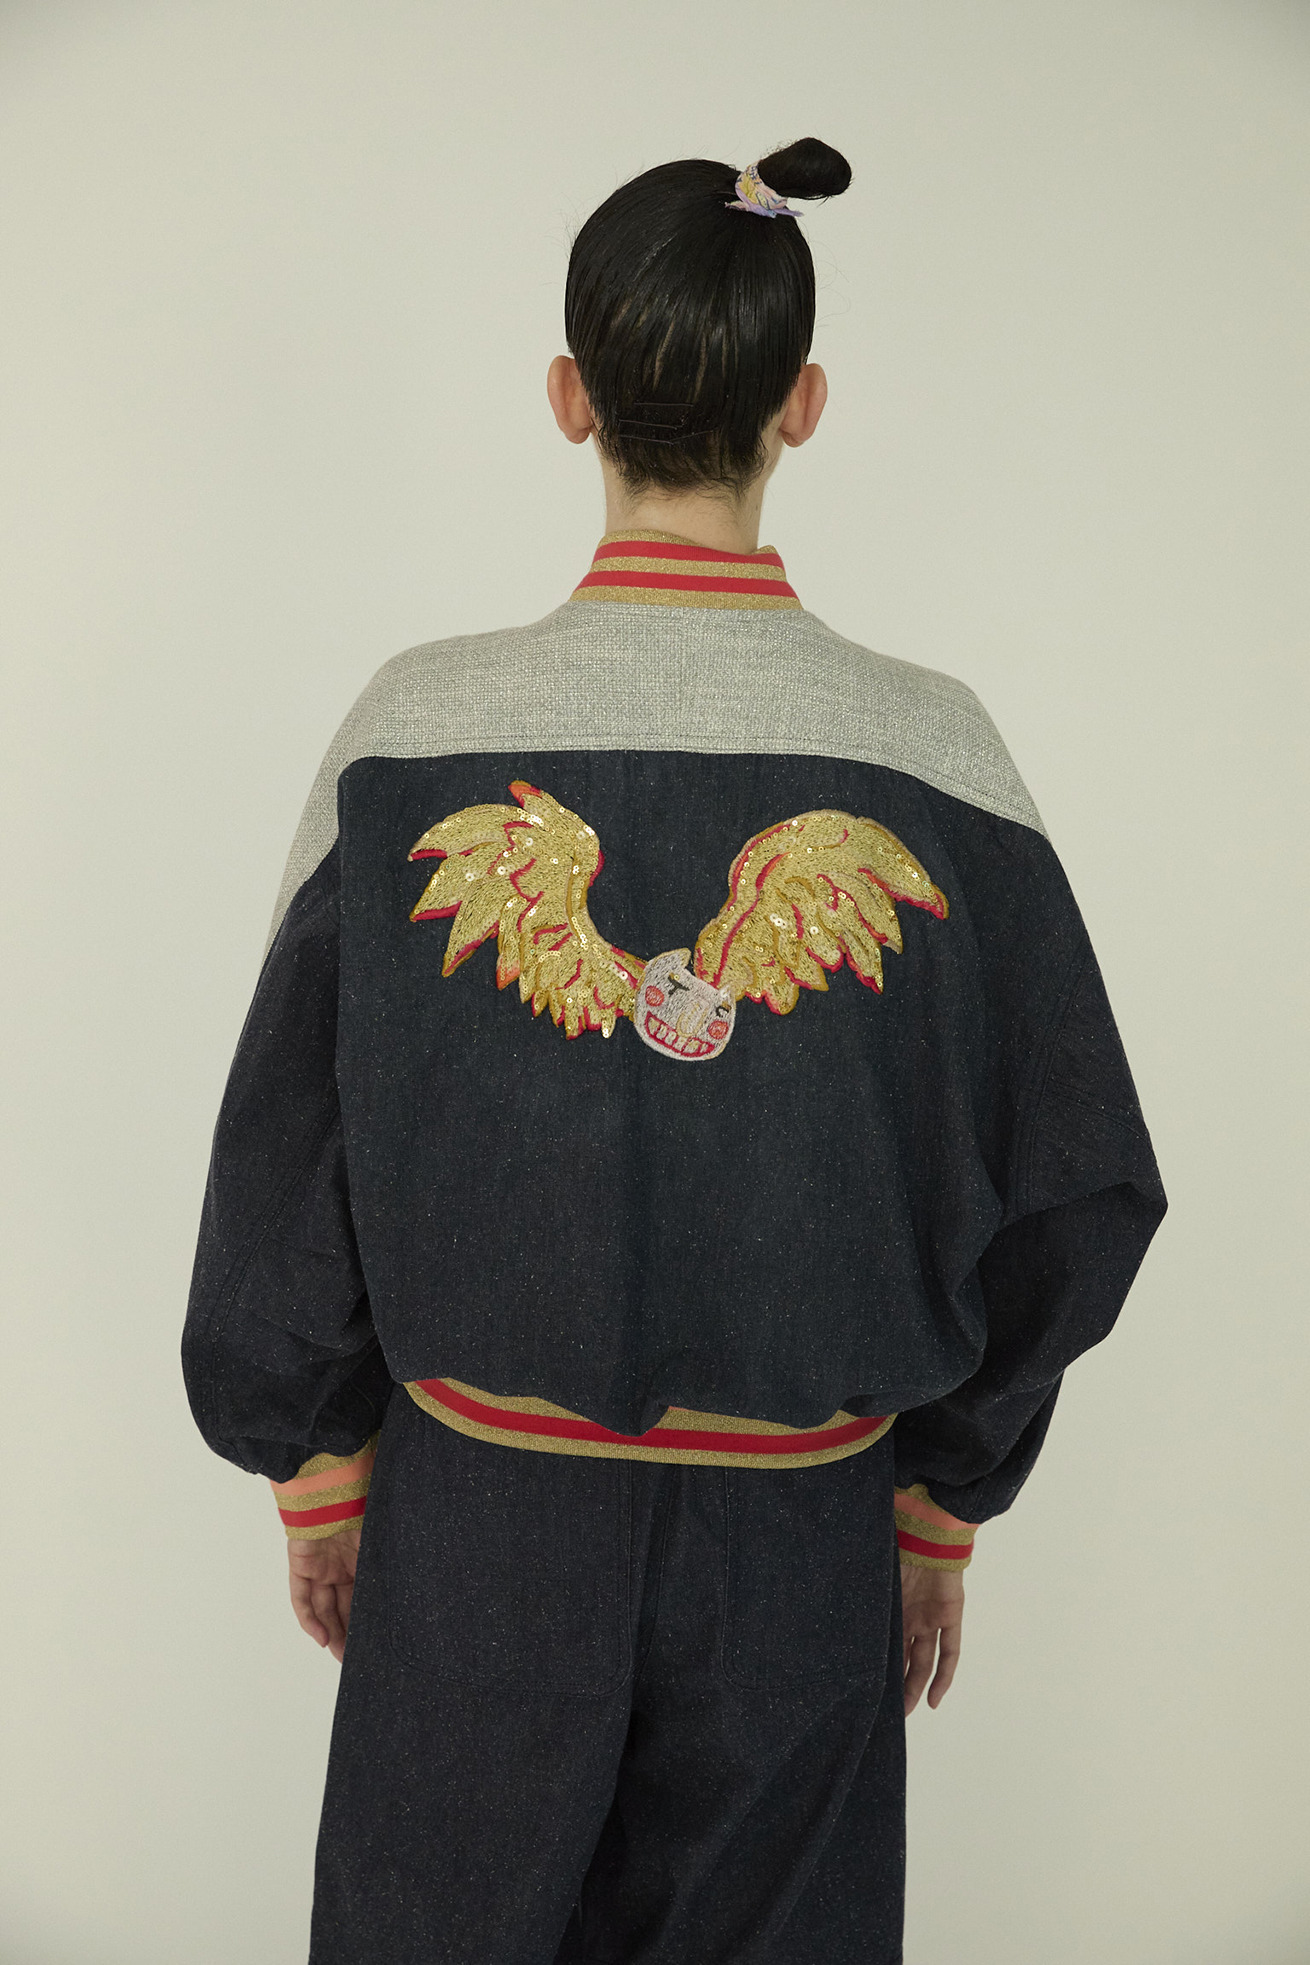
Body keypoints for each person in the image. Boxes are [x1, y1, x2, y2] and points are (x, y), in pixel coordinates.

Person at [182, 138, 1166, 1965]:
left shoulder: (412, 734)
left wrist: (313, 1461)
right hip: (798, 1552)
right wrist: (939, 1491)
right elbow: (1078, 1181)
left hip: (478, 1531)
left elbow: (284, 1139)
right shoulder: (938, 757)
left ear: (570, 397)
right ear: (803, 402)